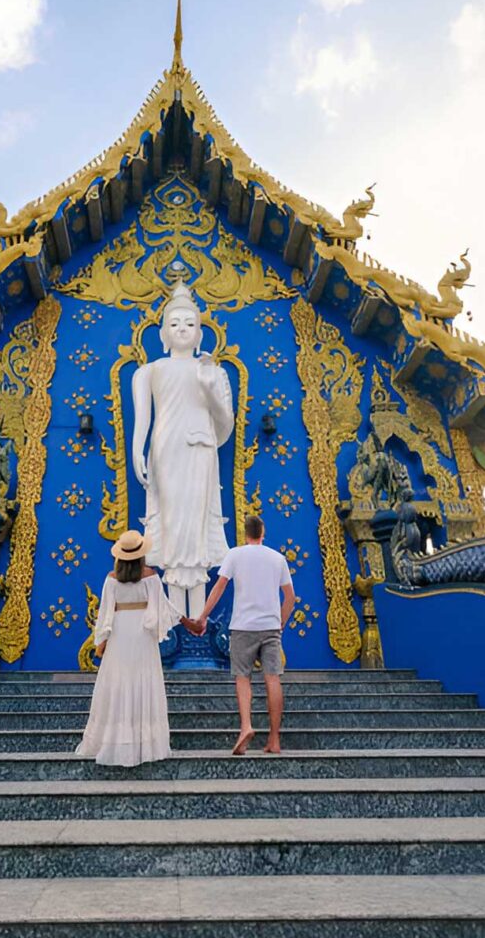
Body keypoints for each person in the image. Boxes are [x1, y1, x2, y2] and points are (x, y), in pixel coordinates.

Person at [132, 283, 234, 618]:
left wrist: (210, 390)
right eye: (174, 324)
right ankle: (175, 617)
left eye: (189, 324)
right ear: (163, 333)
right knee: (173, 526)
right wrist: (137, 451)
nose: (182, 329)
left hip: (202, 449)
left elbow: (224, 428)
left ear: (200, 333)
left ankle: (197, 620)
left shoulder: (213, 372)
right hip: (166, 449)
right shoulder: (149, 371)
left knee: (197, 526)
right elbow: (142, 421)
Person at [75, 529, 203, 766]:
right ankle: (145, 742)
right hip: (142, 633)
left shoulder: (111, 579)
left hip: (120, 633)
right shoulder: (151, 576)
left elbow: (105, 613)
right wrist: (189, 623)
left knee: (119, 682)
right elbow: (165, 607)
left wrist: (102, 639)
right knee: (142, 681)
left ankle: (112, 740)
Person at [195, 514, 296, 755]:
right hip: (270, 626)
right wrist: (280, 621)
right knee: (272, 678)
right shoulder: (277, 558)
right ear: (263, 532)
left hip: (242, 626)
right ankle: (274, 739)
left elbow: (219, 587)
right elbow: (290, 597)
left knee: (243, 678)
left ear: (245, 534)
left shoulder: (235, 555)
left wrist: (203, 616)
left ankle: (246, 726)